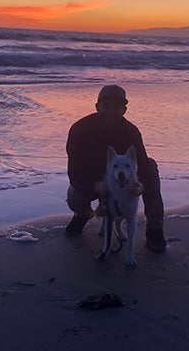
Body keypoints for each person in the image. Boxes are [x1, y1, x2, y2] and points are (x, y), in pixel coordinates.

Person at [64, 84, 167, 253]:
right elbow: (74, 172)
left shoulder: (131, 132)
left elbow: (141, 164)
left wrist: (137, 184)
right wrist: (97, 185)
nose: (111, 112)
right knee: (75, 197)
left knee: (150, 165)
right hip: (94, 178)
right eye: (107, 106)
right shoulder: (79, 130)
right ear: (97, 106)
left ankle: (155, 229)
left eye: (116, 107)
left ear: (124, 110)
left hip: (123, 180)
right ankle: (82, 215)